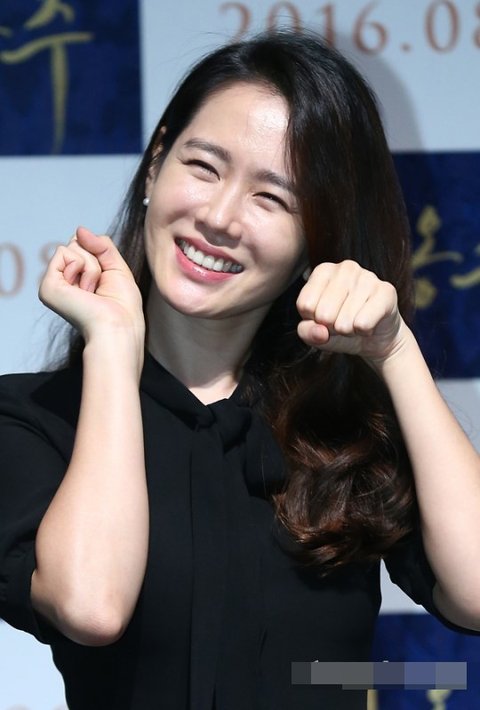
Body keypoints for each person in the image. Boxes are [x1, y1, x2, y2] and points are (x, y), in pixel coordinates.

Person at [0, 29, 479, 710]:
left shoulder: (343, 427)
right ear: (157, 161)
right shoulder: (36, 418)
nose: (220, 218)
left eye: (272, 198)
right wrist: (111, 345)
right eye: (204, 166)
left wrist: (394, 351)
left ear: (314, 239)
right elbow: (91, 607)